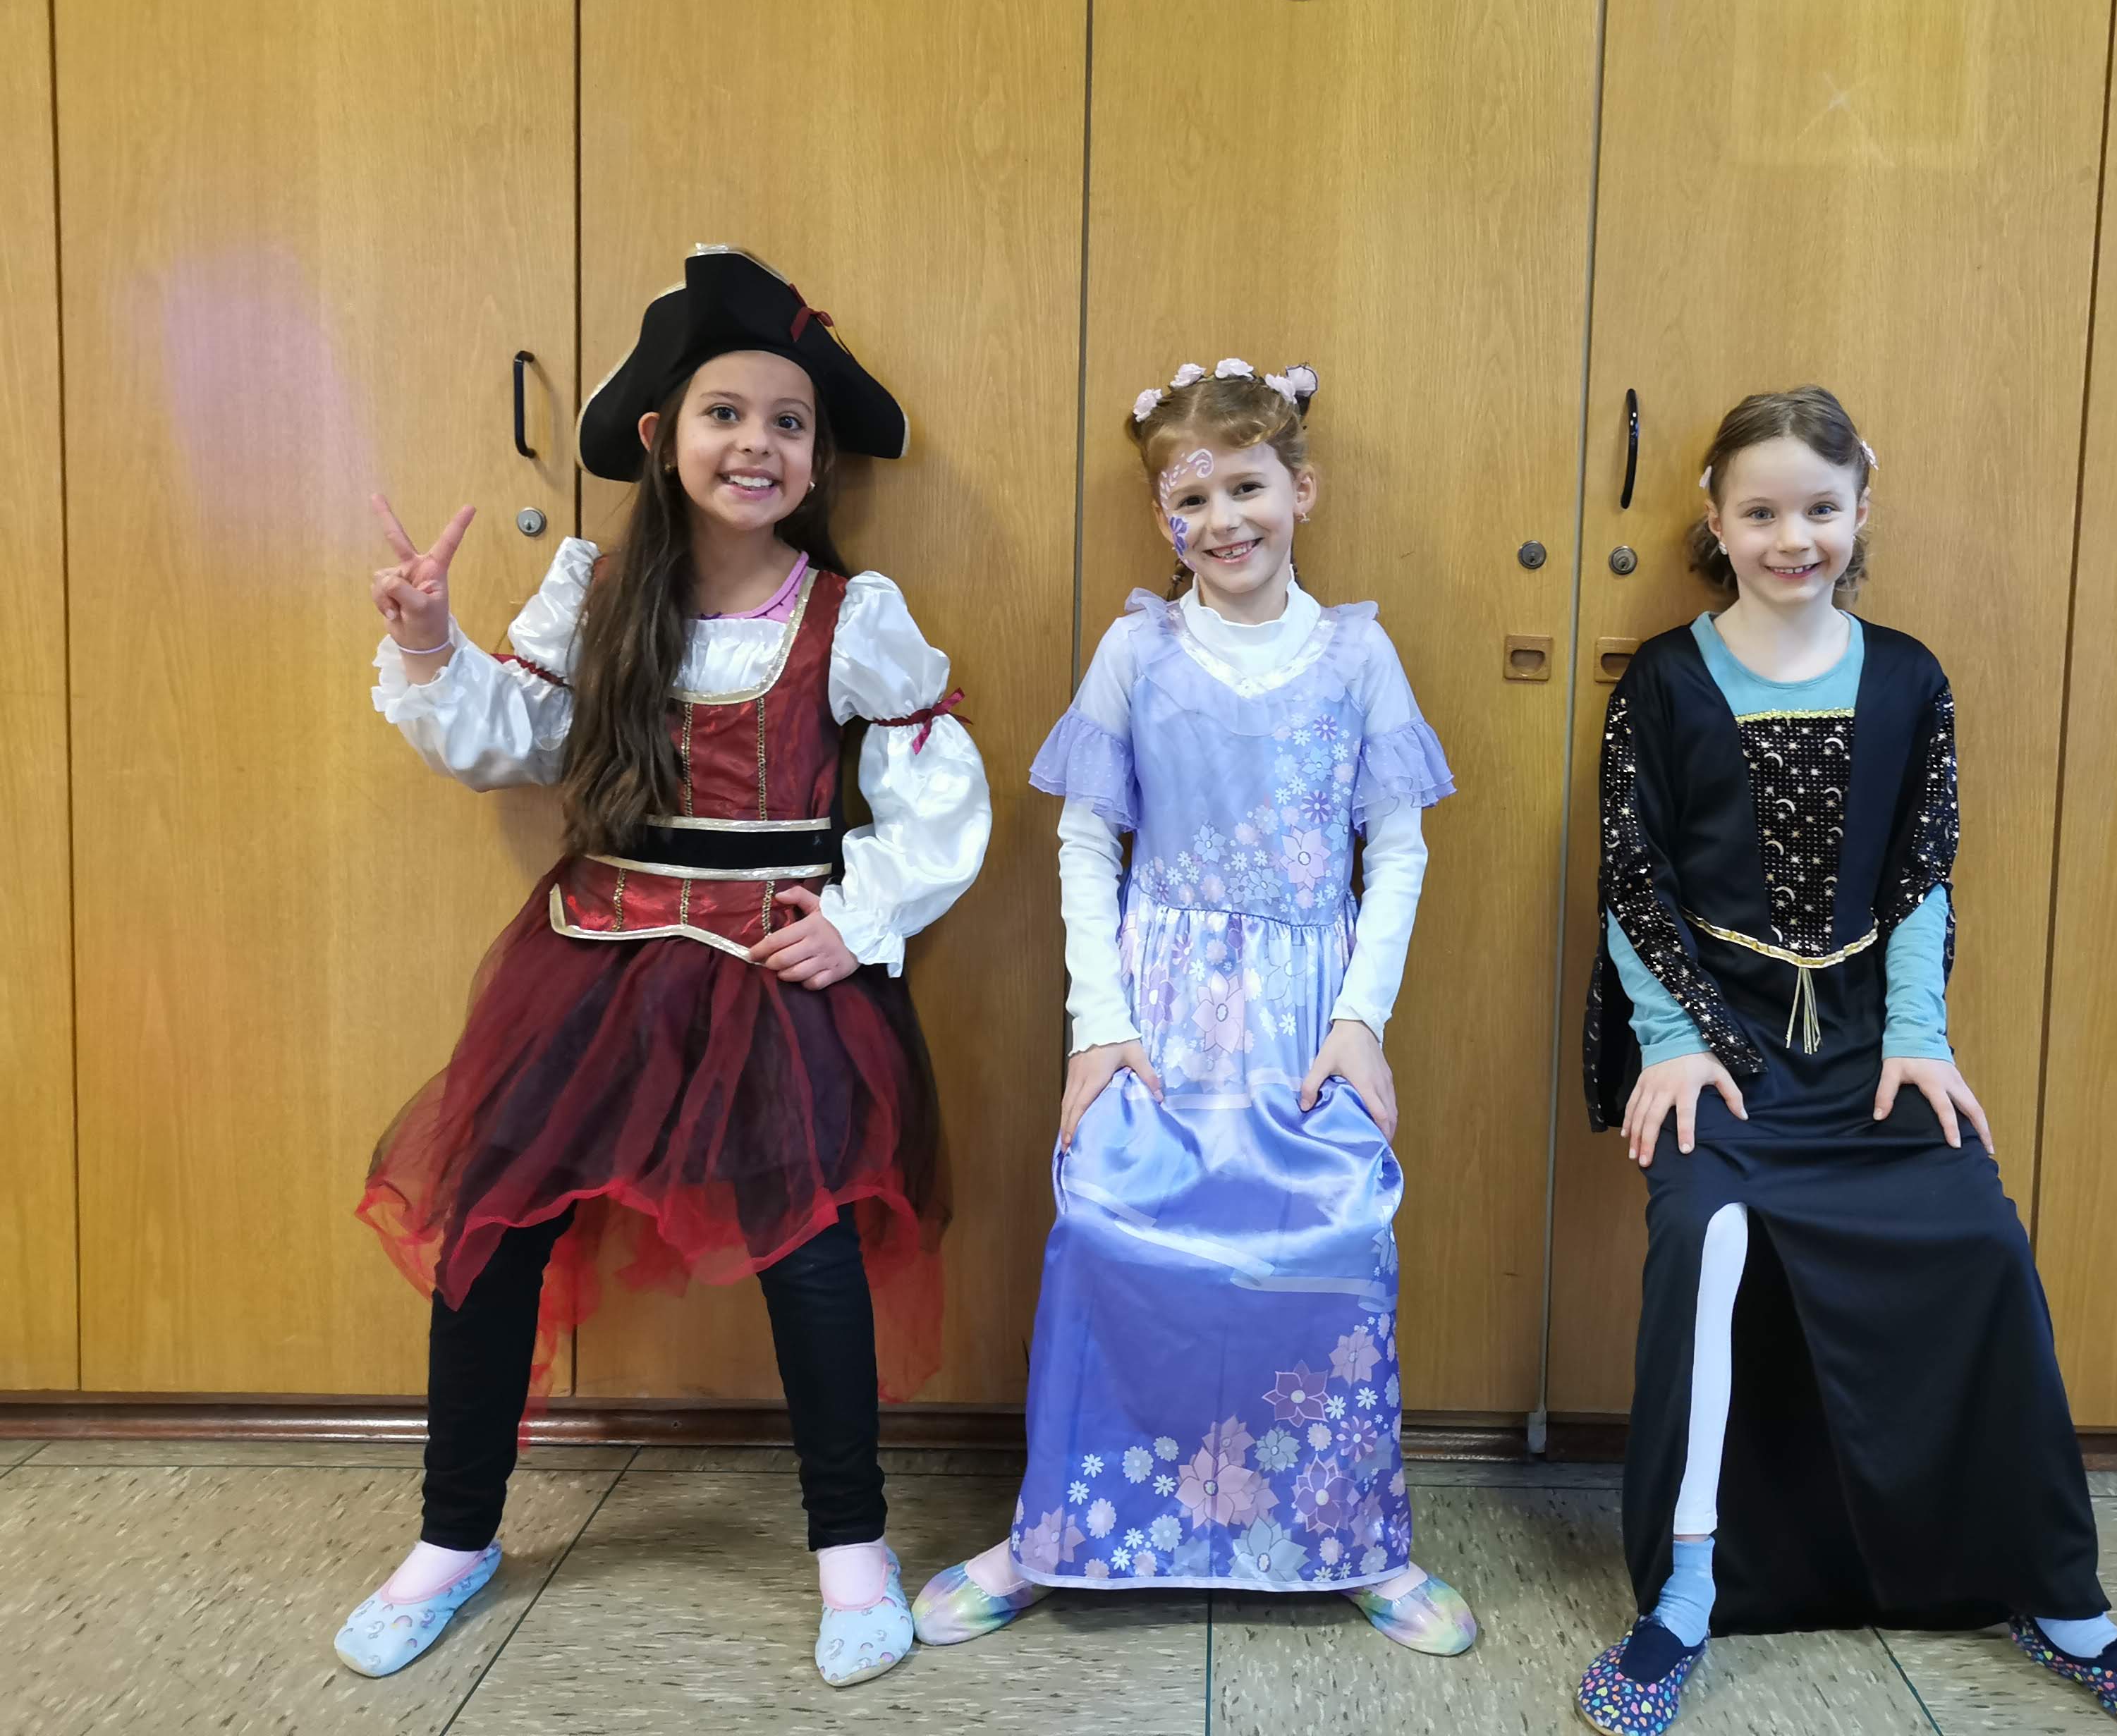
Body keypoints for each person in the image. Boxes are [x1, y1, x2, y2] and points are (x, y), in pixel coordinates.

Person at [336, 247, 988, 1687]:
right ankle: (455, 1534)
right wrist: (433, 643)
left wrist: (863, 916)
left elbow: (939, 788)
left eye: (788, 423)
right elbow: (517, 743)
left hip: (773, 974)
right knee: (492, 1223)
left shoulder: (848, 618)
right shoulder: (599, 597)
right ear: (660, 436)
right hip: (594, 961)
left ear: (817, 459)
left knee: (809, 1246)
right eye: (725, 414)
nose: (757, 444)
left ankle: (852, 1546)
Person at [1574, 387, 2117, 1736]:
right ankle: (1685, 1594)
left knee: (1984, 1238)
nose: (1792, 538)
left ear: (1861, 510)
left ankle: (2062, 1599)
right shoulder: (1665, 681)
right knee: (1709, 1239)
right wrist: (1675, 1044)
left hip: (1872, 1054)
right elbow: (1633, 879)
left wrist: (1919, 1040)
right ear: (1715, 521)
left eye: (1820, 510)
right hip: (1721, 1049)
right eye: (1762, 512)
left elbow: (1925, 875)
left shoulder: (1911, 677)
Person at [913, 358, 1475, 1655]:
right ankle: (1059, 1529)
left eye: (1248, 488)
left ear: (1300, 490)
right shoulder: (1137, 650)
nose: (1225, 520)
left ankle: (1354, 1537)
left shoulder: (1358, 655)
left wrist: (1362, 1020)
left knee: (1330, 1249)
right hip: (1159, 1006)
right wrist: (1099, 1026)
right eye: (1192, 499)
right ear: (1163, 516)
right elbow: (1084, 840)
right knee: (1109, 1237)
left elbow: (1397, 848)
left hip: (1307, 1012)